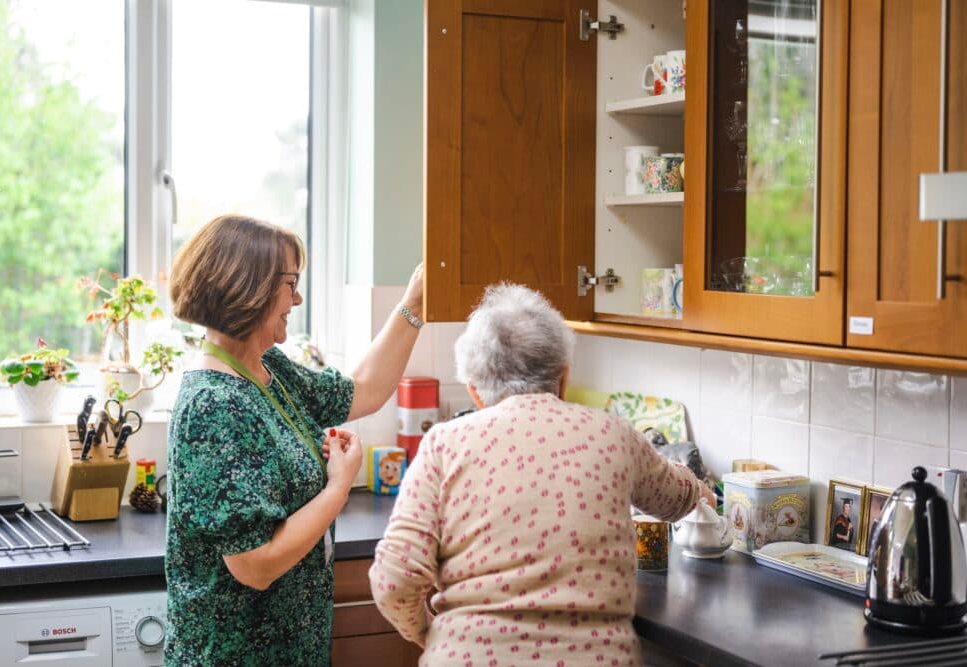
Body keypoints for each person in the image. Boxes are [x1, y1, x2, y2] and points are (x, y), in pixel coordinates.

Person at [370, 283, 715, 666]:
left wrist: (430, 633)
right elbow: (677, 496)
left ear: (475, 393)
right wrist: (704, 492)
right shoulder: (613, 434)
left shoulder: (443, 445)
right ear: (563, 379)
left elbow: (393, 580)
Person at [164, 214, 424, 665]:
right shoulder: (214, 405)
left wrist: (413, 307)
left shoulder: (269, 369)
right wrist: (338, 486)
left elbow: (361, 391)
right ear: (250, 289)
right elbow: (255, 565)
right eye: (290, 283)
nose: (297, 298)